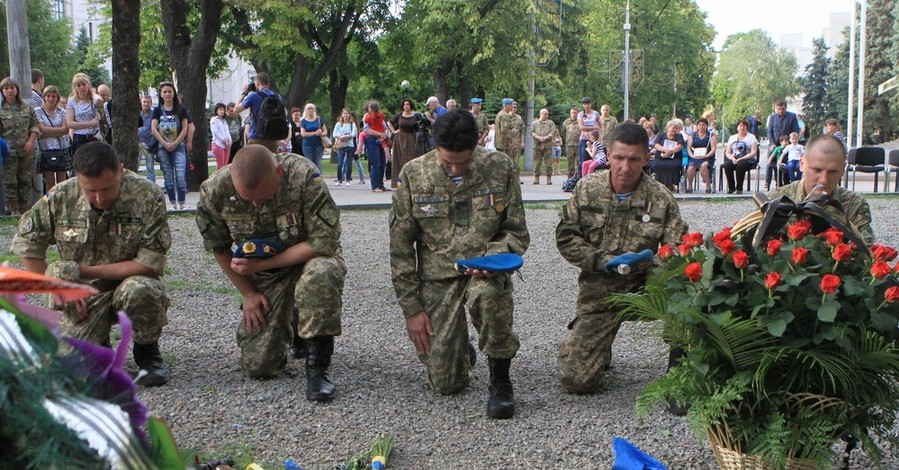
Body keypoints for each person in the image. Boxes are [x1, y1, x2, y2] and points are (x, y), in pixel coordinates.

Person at [389, 109, 529, 419]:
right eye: (447, 161)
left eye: (463, 162)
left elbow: (516, 231)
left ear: (478, 144)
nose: (455, 168)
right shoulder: (414, 174)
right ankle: (458, 346)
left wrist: (495, 257)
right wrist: (412, 310)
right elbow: (400, 248)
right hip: (438, 278)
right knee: (447, 383)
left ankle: (500, 380)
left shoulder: (500, 167)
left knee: (490, 296)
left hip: (485, 271)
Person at [10, 141, 172, 386]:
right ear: (78, 179)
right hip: (81, 298)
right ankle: (99, 347)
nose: (99, 198)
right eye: (90, 191)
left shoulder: (148, 196)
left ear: (121, 171)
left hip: (126, 284)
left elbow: (148, 263)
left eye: (107, 189)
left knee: (142, 290)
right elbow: (27, 245)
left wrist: (79, 272)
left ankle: (147, 355)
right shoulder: (61, 195)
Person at [195, 145, 347, 401]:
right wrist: (249, 293)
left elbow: (323, 242)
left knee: (321, 274)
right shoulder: (215, 190)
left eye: (263, 197)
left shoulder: (302, 175)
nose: (256, 204)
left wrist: (260, 266)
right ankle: (294, 322)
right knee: (260, 367)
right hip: (265, 274)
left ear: (278, 171)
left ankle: (317, 367)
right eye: (248, 199)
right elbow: (218, 247)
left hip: (307, 259)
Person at [556, 122, 687, 394]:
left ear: (647, 159)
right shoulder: (587, 189)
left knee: (686, 292)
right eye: (618, 158)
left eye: (633, 159)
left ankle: (679, 375)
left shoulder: (660, 198)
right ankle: (598, 348)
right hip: (600, 292)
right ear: (608, 156)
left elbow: (678, 248)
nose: (625, 167)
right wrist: (602, 260)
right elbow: (566, 236)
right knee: (577, 382)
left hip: (647, 289)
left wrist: (654, 264)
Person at [764, 134, 874, 244]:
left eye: (832, 171)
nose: (824, 180)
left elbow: (865, 253)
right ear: (802, 164)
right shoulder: (774, 201)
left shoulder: (853, 205)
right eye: (817, 170)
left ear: (843, 169)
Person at [0, 77, 39, 215]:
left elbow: (35, 126)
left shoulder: (27, 108)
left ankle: (24, 209)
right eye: (6, 88)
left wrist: (30, 141)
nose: (9, 91)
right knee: (10, 181)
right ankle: (13, 209)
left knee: (25, 180)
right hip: (8, 151)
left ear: (17, 90)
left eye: (12, 88)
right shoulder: (1, 110)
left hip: (26, 149)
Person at [151, 81, 190, 210]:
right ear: (161, 94)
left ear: (173, 93)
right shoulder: (157, 110)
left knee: (180, 174)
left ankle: (182, 201)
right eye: (165, 92)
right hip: (163, 148)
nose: (167, 94)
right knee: (168, 175)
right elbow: (153, 129)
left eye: (170, 91)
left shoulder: (181, 110)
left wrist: (175, 143)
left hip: (178, 146)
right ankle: (172, 201)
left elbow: (185, 128)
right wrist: (165, 143)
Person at [234, 72, 285, 153]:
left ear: (257, 83)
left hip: (256, 137)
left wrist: (244, 93)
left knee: (254, 164)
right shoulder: (278, 96)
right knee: (272, 164)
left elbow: (236, 110)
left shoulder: (254, 96)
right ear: (268, 83)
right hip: (273, 138)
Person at [34, 85, 72, 191]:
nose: (51, 99)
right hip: (46, 149)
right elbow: (41, 129)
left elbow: (65, 130)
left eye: (53, 96)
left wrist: (47, 132)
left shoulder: (62, 112)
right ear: (44, 97)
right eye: (48, 96)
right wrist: (57, 130)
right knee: (50, 184)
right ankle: (50, 205)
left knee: (62, 183)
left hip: (61, 148)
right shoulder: (38, 111)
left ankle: (63, 205)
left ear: (57, 98)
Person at [388, 99, 425, 189]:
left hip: (412, 139)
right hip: (400, 139)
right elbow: (389, 122)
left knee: (412, 160)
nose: (406, 106)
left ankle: (413, 183)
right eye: (404, 104)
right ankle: (400, 183)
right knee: (399, 160)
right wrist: (394, 131)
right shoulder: (400, 115)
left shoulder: (415, 116)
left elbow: (421, 126)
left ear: (411, 105)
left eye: (408, 104)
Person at [66, 73, 101, 158]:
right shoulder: (72, 101)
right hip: (79, 138)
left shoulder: (93, 99)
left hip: (94, 136)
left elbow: (100, 100)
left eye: (84, 84)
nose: (82, 87)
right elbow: (70, 123)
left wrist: (92, 93)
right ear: (75, 87)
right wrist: (89, 124)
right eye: (79, 85)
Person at [722, 119, 759, 194]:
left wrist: (741, 158)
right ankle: (731, 188)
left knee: (740, 166)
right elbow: (728, 152)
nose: (742, 128)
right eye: (740, 126)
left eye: (744, 126)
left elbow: (753, 152)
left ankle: (739, 188)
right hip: (735, 157)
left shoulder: (752, 137)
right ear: (737, 127)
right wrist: (732, 158)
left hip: (748, 158)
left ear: (747, 127)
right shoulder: (732, 138)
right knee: (727, 165)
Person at [650, 119, 685, 192]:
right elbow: (656, 144)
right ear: (668, 128)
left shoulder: (679, 136)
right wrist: (664, 150)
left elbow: (680, 145)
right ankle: (660, 184)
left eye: (676, 128)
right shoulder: (661, 135)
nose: (675, 129)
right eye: (673, 127)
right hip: (661, 157)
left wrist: (671, 151)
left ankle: (670, 185)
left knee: (674, 166)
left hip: (674, 158)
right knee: (657, 165)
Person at [362, 100, 389, 192]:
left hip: (381, 139)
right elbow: (366, 130)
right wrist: (380, 134)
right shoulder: (367, 117)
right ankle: (375, 186)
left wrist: (384, 135)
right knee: (376, 164)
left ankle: (381, 184)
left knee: (382, 163)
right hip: (371, 139)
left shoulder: (380, 116)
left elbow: (385, 127)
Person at [685, 117, 717, 193]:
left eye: (703, 125)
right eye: (699, 125)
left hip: (707, 157)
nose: (701, 126)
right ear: (697, 126)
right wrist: (692, 156)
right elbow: (688, 148)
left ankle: (707, 185)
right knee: (691, 167)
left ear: (706, 126)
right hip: (695, 156)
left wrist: (706, 156)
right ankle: (689, 186)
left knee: (704, 165)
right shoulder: (692, 136)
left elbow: (713, 149)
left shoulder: (711, 136)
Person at [530, 108, 558, 185]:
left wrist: (546, 137)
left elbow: (553, 131)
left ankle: (549, 178)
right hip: (537, 145)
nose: (546, 115)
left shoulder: (550, 123)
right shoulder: (534, 123)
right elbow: (531, 132)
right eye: (545, 114)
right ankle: (536, 178)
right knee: (537, 162)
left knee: (549, 162)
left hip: (547, 145)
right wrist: (538, 137)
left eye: (547, 114)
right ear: (541, 114)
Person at [299, 103, 327, 171]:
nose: (311, 110)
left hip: (319, 145)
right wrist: (314, 133)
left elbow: (325, 132)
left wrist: (321, 133)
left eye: (312, 108)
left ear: (314, 110)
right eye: (309, 108)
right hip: (307, 145)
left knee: (318, 163)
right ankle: (311, 180)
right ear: (306, 110)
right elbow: (303, 134)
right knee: (309, 163)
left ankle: (319, 179)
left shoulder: (319, 119)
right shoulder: (303, 121)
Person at [138, 95, 157, 182]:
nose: (146, 104)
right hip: (137, 143)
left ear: (151, 103)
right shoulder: (137, 114)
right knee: (135, 166)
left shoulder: (154, 115)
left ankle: (152, 185)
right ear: (141, 103)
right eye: (144, 102)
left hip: (149, 144)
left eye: (148, 102)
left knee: (150, 166)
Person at [577, 98, 600, 170]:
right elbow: (581, 127)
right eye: (585, 104)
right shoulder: (580, 114)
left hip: (594, 140)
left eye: (588, 104)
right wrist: (594, 127)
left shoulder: (596, 114)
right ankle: (581, 177)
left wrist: (600, 136)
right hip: (584, 139)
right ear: (583, 105)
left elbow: (600, 126)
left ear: (591, 104)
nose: (587, 106)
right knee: (583, 160)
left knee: (593, 160)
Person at [210, 102, 232, 170]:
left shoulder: (224, 121)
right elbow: (215, 131)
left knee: (225, 165)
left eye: (223, 109)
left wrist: (230, 140)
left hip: (227, 145)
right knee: (220, 165)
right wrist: (224, 140)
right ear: (216, 110)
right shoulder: (214, 119)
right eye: (220, 109)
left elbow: (227, 131)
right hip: (218, 144)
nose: (222, 111)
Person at [561, 107, 580, 178]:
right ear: (570, 113)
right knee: (570, 162)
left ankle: (578, 177)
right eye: (572, 113)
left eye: (575, 113)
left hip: (578, 145)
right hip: (569, 145)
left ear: (578, 113)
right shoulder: (566, 122)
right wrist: (567, 139)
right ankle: (570, 178)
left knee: (579, 162)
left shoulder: (581, 122)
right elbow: (563, 132)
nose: (574, 114)